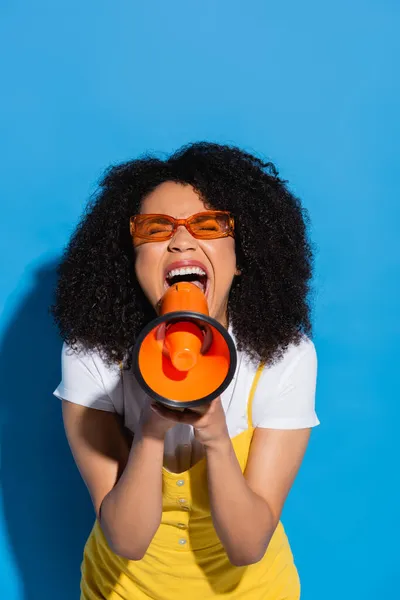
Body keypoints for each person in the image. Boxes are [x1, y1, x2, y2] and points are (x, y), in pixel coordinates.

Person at [52, 142, 319, 599]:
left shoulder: (285, 356)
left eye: (208, 224)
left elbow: (247, 544)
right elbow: (127, 540)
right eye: (155, 229)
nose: (180, 240)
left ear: (239, 259)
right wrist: (152, 430)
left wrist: (215, 435)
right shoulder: (90, 353)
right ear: (131, 262)